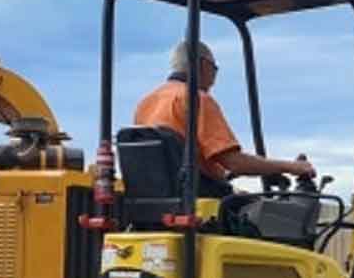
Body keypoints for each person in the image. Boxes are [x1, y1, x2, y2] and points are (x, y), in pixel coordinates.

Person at [134, 41, 315, 187]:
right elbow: (234, 162)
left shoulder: (146, 103)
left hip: (158, 202)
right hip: (195, 200)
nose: (214, 78)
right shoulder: (197, 99)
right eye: (215, 69)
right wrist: (292, 167)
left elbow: (177, 161)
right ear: (203, 64)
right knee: (276, 218)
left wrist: (228, 173)